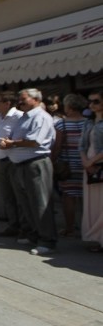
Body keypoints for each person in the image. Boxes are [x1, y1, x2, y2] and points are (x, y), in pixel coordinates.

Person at [0, 88, 57, 256]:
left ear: (36, 99)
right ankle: (34, 235)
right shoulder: (24, 117)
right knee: (26, 204)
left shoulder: (41, 117)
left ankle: (47, 240)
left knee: (40, 203)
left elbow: (34, 141)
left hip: (35, 164)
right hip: (20, 165)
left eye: (23, 98)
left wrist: (11, 144)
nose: (20, 101)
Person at [0, 92, 27, 238]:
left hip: (11, 161)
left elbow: (22, 137)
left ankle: (24, 228)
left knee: (18, 196)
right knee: (7, 196)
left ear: (7, 103)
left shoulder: (18, 116)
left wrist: (9, 143)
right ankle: (13, 225)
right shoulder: (1, 117)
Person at [53, 94, 89, 237]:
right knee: (85, 199)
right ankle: (87, 227)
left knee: (69, 198)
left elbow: (58, 145)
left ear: (70, 108)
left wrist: (52, 160)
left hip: (68, 165)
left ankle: (70, 228)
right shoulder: (88, 123)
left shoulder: (62, 124)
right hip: (86, 164)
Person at [80, 89, 103, 252]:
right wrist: (86, 162)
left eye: (96, 101)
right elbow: (81, 145)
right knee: (92, 205)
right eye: (90, 101)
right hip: (89, 166)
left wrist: (92, 161)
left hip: (99, 164)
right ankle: (96, 239)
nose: (92, 105)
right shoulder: (88, 122)